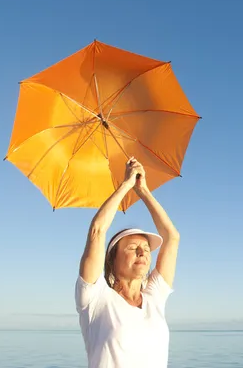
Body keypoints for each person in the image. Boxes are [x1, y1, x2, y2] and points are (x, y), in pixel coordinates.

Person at [74, 157, 180, 368]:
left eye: (147, 249)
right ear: (112, 260)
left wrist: (143, 191)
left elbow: (172, 237)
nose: (142, 252)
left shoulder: (154, 299)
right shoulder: (96, 298)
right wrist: (127, 184)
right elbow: (97, 230)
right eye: (132, 248)